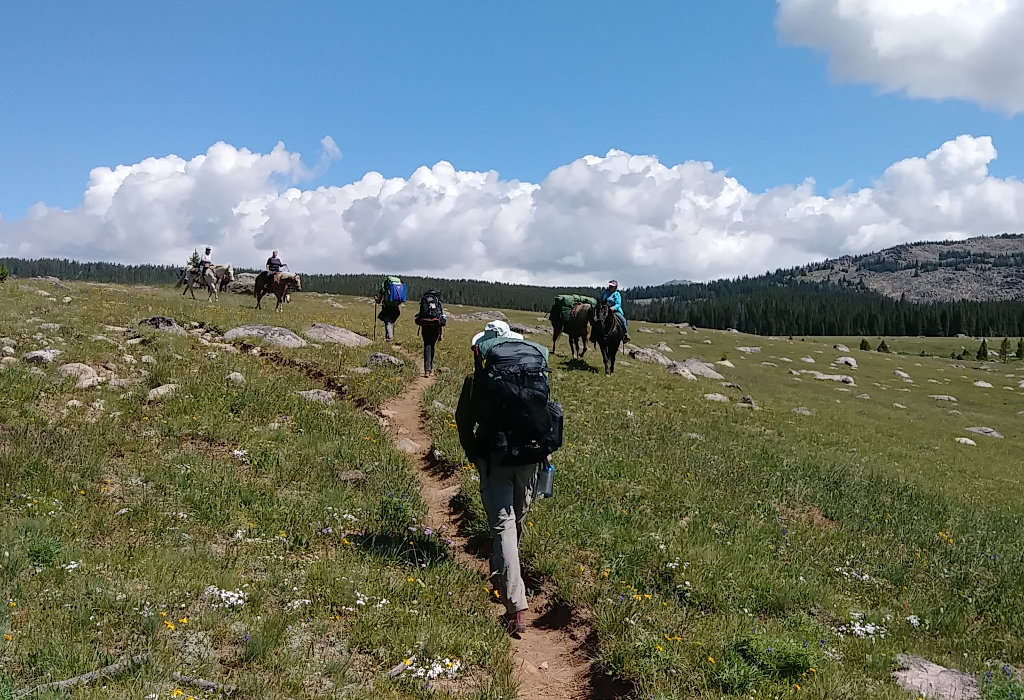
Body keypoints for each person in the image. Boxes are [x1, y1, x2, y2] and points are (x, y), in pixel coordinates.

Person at [455, 320, 538, 636]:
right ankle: (508, 583)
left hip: (494, 457)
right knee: (514, 521)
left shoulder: (477, 381)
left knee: (503, 524)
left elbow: (463, 420)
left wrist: (473, 452)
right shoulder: (532, 372)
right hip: (530, 458)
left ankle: (516, 607)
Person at [374, 276, 405, 342]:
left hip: (387, 307)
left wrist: (376, 299)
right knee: (389, 322)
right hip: (396, 308)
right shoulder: (399, 285)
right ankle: (388, 337)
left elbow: (379, 301)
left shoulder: (384, 285)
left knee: (387, 322)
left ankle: (389, 338)